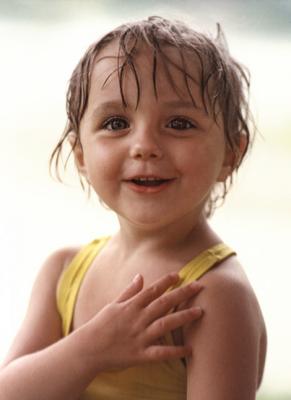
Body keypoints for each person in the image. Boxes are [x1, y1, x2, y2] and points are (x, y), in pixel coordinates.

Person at [0, 16, 267, 400]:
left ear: (231, 153)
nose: (144, 145)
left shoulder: (215, 295)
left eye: (178, 122)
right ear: (80, 154)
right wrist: (91, 348)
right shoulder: (62, 272)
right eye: (115, 122)